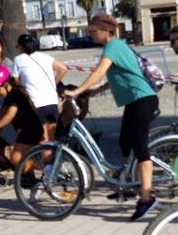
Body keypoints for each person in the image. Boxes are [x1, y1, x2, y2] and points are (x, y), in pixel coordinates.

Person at [64, 15, 160, 221]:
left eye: (93, 31)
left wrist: (78, 90)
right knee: (125, 143)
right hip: (136, 101)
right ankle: (126, 185)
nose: (90, 34)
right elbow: (117, 76)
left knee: (140, 147)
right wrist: (94, 92)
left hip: (142, 99)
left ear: (105, 30)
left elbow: (100, 71)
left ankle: (147, 197)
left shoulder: (112, 46)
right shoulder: (115, 47)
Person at [0, 65, 42, 165]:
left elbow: (9, 115)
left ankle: (46, 173)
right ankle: (25, 177)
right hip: (25, 130)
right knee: (19, 158)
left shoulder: (15, 95)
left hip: (31, 130)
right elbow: (2, 111)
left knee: (16, 159)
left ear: (6, 84)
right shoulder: (10, 96)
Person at [13, 33, 69, 142]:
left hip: (36, 103)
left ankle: (44, 158)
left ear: (21, 47)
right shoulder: (45, 57)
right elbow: (63, 69)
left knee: (43, 137)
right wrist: (54, 83)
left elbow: (15, 80)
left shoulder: (19, 59)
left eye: (17, 46)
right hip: (52, 101)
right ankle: (52, 158)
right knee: (51, 138)